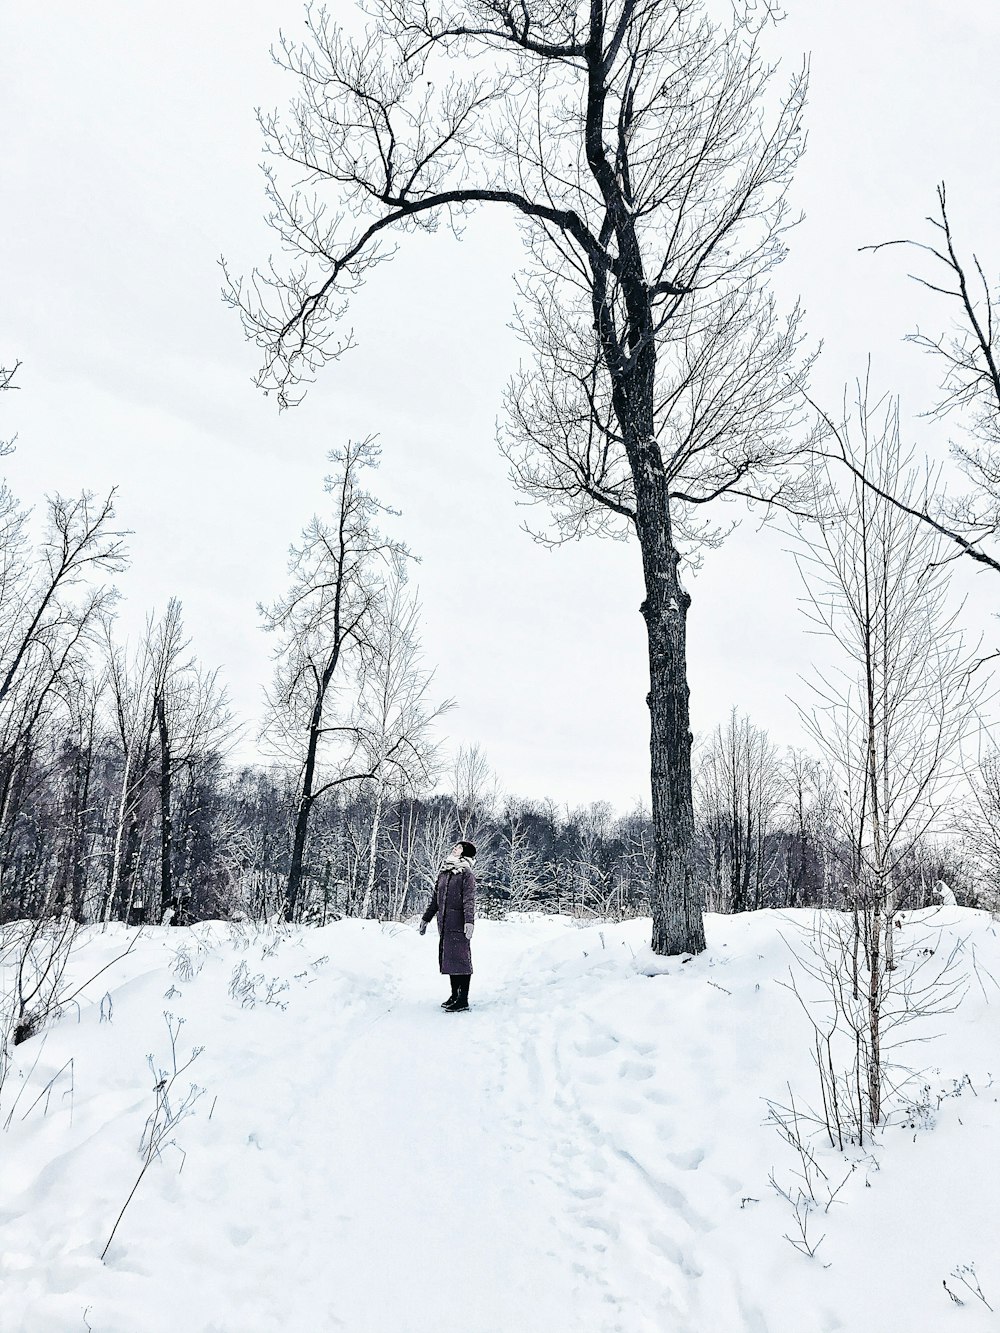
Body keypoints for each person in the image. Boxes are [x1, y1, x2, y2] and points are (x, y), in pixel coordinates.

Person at [419, 840, 477, 1012]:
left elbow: (469, 900)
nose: (455, 848)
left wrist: (469, 921)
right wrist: (426, 918)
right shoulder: (444, 873)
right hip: (445, 923)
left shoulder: (467, 874)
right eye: (456, 846)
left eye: (459, 847)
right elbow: (435, 900)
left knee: (461, 960)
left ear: (465, 853)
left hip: (459, 923)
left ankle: (463, 999)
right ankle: (454, 995)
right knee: (450, 959)